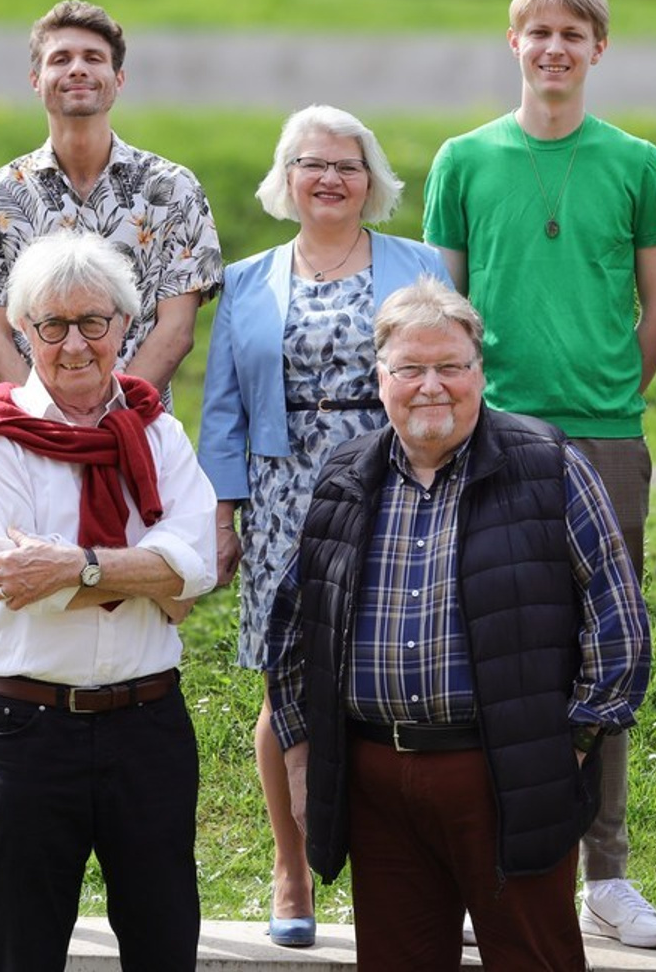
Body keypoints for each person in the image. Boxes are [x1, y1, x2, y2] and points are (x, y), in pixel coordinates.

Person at [265, 276, 651, 972]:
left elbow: (618, 626)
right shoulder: (344, 474)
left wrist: (567, 749)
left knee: (534, 959)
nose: (430, 386)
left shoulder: (552, 464)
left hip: (507, 775)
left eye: (450, 367)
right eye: (410, 369)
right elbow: (295, 632)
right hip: (377, 780)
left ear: (481, 373)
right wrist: (298, 758)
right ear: (380, 378)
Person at [421, 0, 656, 950]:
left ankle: (606, 870)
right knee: (489, 639)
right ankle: (492, 859)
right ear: (513, 42)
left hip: (606, 434)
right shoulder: (463, 159)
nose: (555, 47)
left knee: (606, 646)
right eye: (538, 31)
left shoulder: (636, 163)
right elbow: (442, 311)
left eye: (574, 31)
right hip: (493, 434)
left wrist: (611, 389)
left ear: (597, 49)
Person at [197, 104, 450, 946]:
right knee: (287, 680)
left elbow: (447, 375)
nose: (331, 178)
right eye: (313, 164)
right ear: (288, 178)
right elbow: (224, 408)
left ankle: (409, 876)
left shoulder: (419, 264)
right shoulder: (247, 280)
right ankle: (291, 869)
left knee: (399, 673)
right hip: (282, 495)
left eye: (347, 164)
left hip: (393, 480)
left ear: (371, 178)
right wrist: (224, 514)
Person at [0, 231, 217, 971]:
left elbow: (199, 570)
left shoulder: (158, 431)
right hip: (29, 731)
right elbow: (14, 582)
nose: (74, 345)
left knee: (165, 948)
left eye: (94, 322)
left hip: (149, 727)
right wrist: (146, 572)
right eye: (52, 325)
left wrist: (79, 564)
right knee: (23, 952)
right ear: (23, 332)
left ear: (125, 326)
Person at [0, 0, 222, 402]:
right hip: (34, 442)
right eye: (60, 59)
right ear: (35, 79)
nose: (77, 68)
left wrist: (114, 419)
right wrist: (53, 427)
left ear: (119, 78)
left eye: (93, 58)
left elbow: (176, 330)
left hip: (137, 431)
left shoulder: (173, 189)